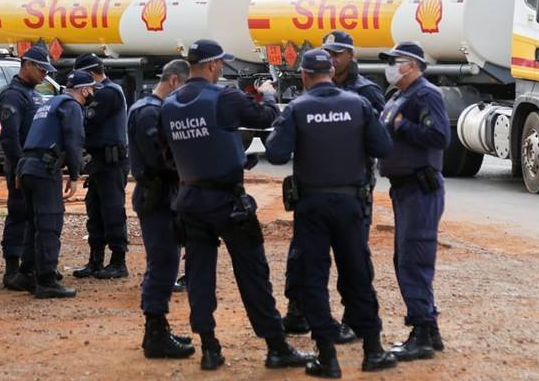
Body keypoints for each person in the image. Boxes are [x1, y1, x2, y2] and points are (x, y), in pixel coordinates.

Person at [161, 39, 311, 371]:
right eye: (221, 64)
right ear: (213, 65)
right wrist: (269, 93)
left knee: (199, 275)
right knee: (253, 273)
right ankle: (275, 345)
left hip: (190, 200)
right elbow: (266, 117)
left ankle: (209, 349)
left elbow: (169, 155)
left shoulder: (169, 104)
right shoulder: (223, 97)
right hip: (228, 202)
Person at [265, 49, 397, 378]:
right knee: (357, 275)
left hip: (312, 206)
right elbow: (383, 148)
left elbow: (277, 154)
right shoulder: (358, 104)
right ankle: (373, 350)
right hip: (351, 203)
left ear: (306, 76)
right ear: (331, 71)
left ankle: (327, 356)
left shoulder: (298, 108)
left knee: (313, 278)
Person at [282, 30, 387, 341]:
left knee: (353, 257)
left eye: (339, 52)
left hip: (352, 187)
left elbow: (376, 141)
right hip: (313, 186)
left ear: (351, 55)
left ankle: (353, 320)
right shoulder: (309, 92)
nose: (332, 57)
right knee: (303, 255)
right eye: (328, 52)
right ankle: (298, 309)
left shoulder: (365, 92)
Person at [378, 42, 450, 361]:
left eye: (396, 62)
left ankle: (420, 332)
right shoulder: (397, 97)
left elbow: (440, 137)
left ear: (412, 65)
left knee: (414, 259)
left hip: (421, 187)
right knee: (404, 257)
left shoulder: (425, 94)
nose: (391, 67)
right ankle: (429, 330)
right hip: (403, 189)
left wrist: (402, 126)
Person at [128, 59, 195, 359]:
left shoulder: (152, 109)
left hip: (164, 194)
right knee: (163, 263)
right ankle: (155, 333)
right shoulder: (148, 112)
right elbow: (160, 159)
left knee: (166, 262)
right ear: (175, 81)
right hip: (157, 196)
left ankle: (159, 328)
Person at [13, 71, 94, 299]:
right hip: (44, 170)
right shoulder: (72, 107)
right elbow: (74, 140)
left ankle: (26, 272)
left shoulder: (49, 104)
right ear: (85, 89)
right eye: (92, 90)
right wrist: (76, 174)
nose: (93, 94)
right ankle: (46, 280)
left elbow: (33, 137)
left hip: (27, 167)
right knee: (49, 224)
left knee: (35, 223)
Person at [0, 46, 55, 290]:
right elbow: (10, 138)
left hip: (35, 167)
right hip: (22, 167)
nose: (45, 74)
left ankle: (30, 267)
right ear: (27, 64)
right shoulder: (13, 95)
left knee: (36, 217)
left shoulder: (33, 93)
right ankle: (12, 270)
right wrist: (21, 167)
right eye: (41, 69)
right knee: (19, 213)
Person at [72, 53, 131, 280]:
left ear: (89, 74)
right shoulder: (100, 93)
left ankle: (118, 261)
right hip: (98, 161)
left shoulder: (108, 93)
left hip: (111, 161)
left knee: (113, 210)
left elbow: (88, 120)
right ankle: (95, 261)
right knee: (94, 210)